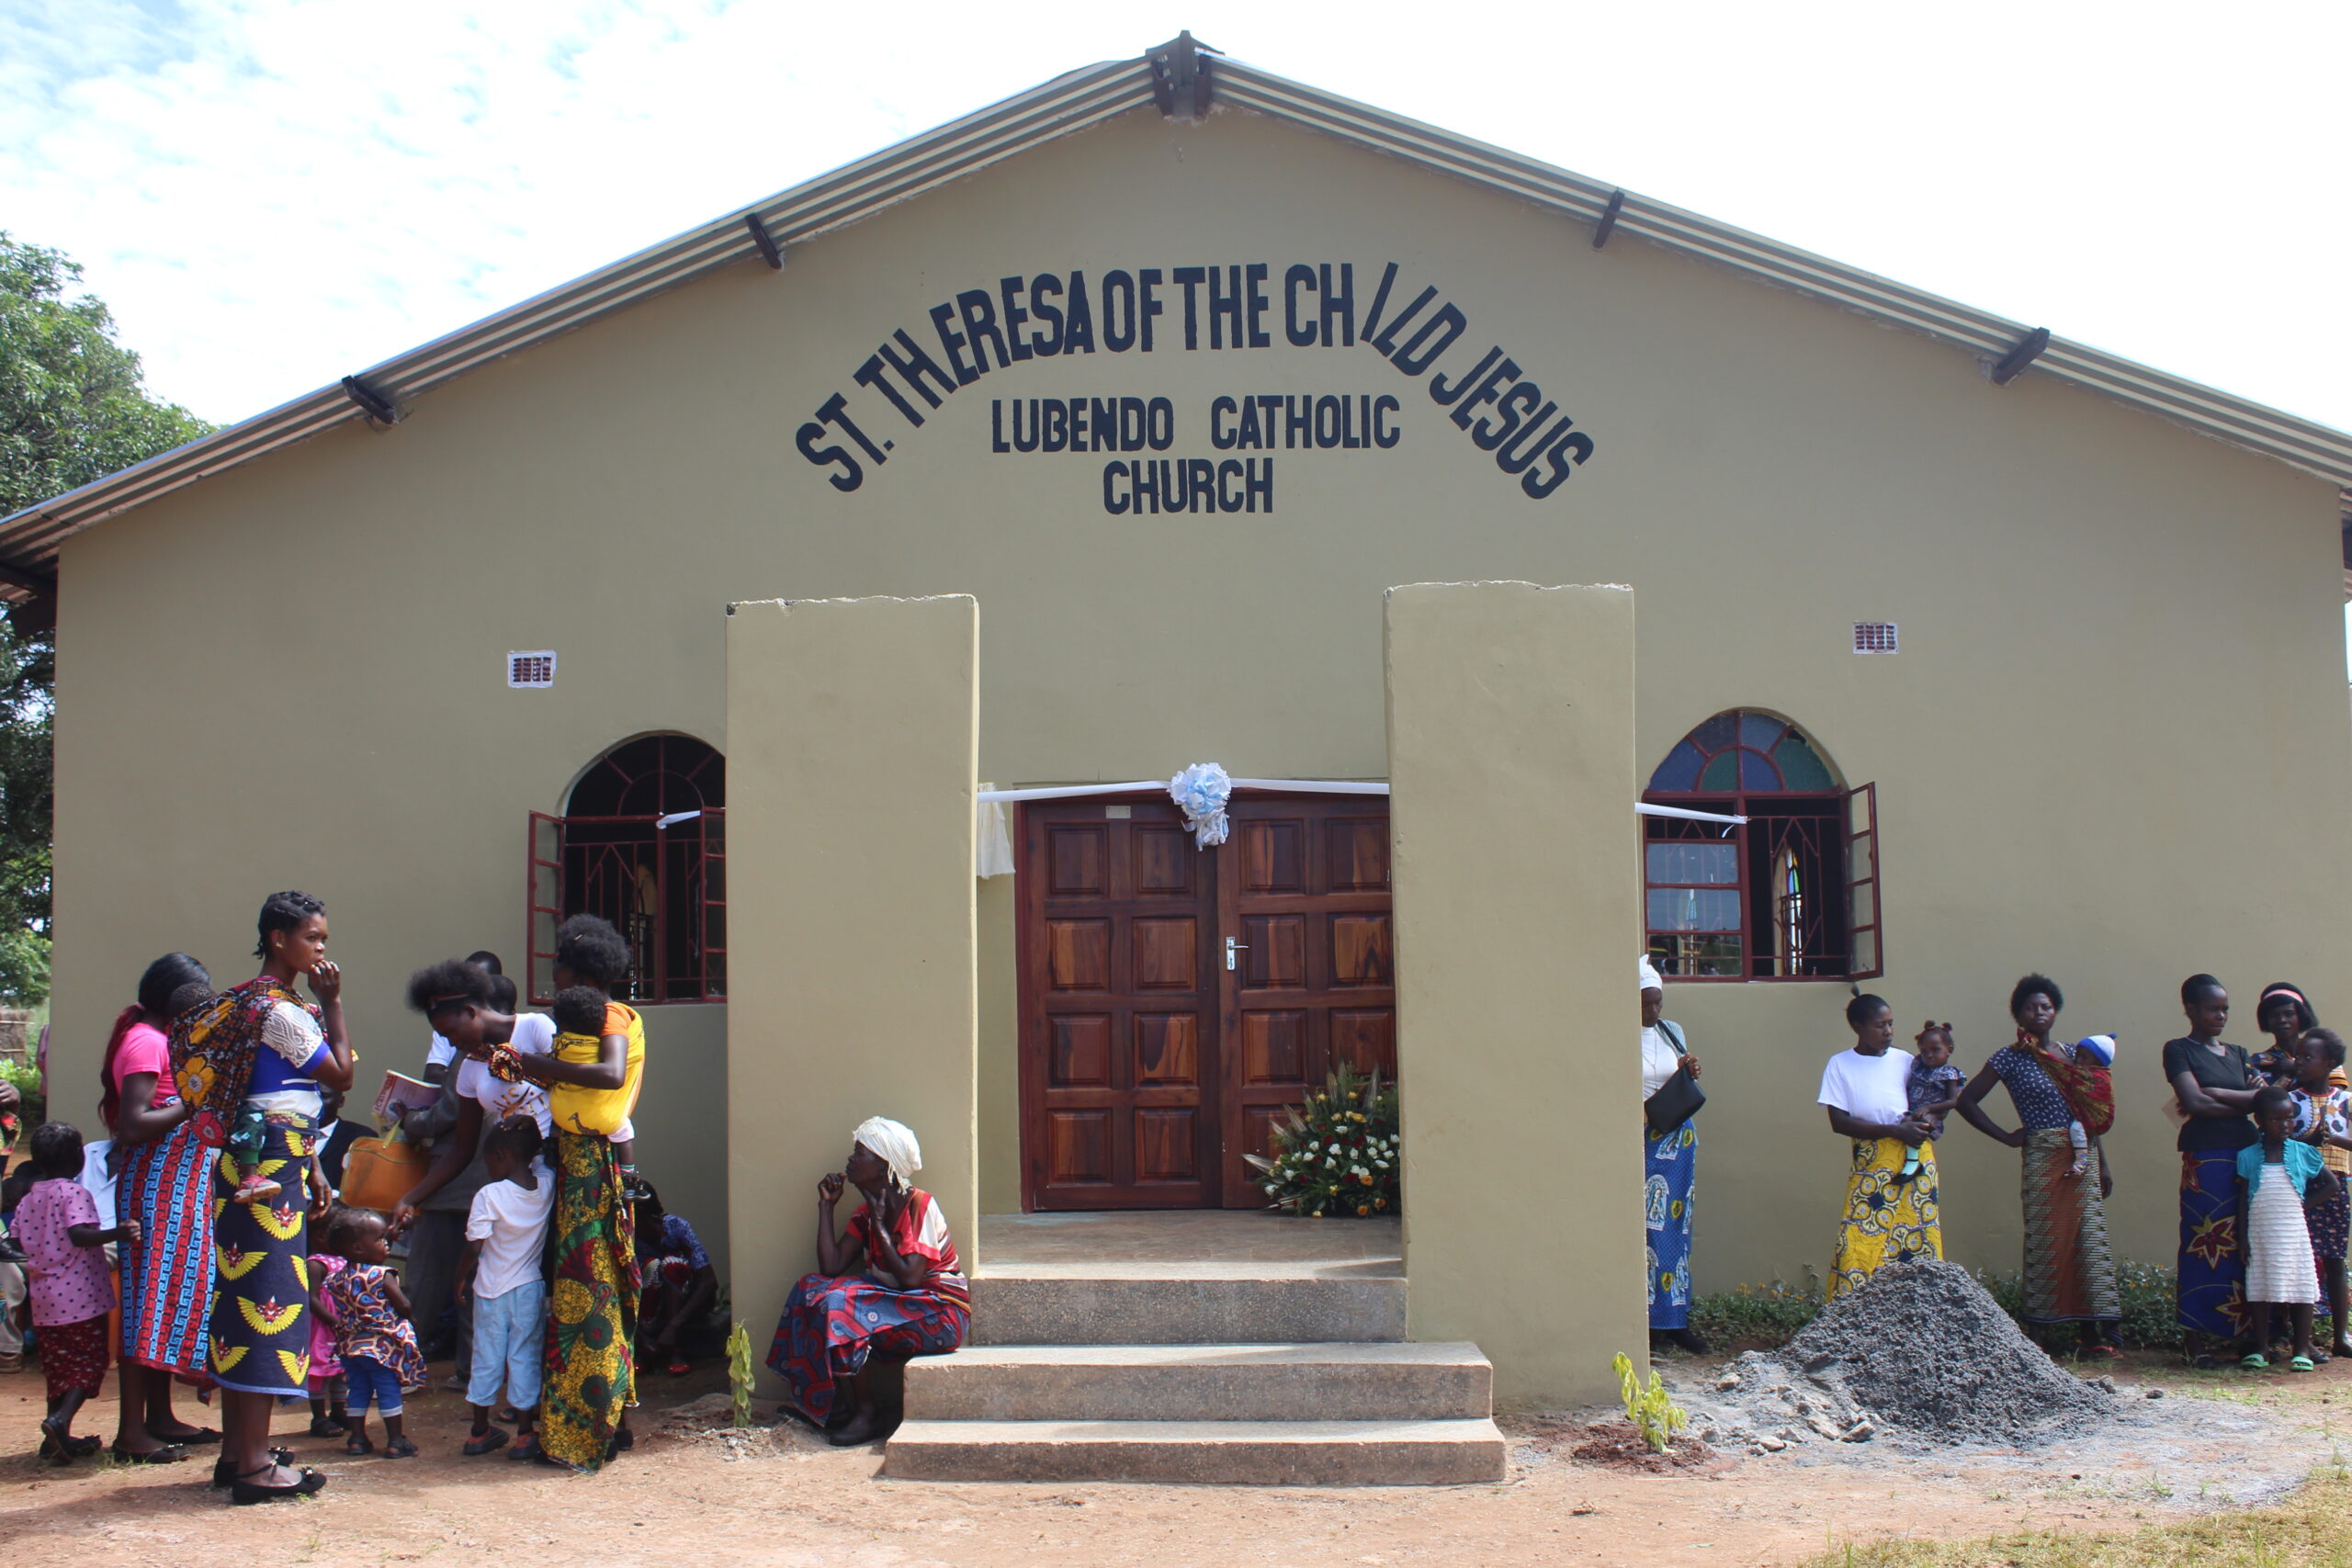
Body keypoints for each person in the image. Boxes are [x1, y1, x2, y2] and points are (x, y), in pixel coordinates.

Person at [396, 917, 645, 1472]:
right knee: (535, 1309)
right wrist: (412, 1197)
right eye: (444, 1036)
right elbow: (461, 1150)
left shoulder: (538, 1028)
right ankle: (540, 1423)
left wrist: (520, 1065)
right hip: (517, 1204)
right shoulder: (468, 1070)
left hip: (569, 1177)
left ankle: (603, 1420)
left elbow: (592, 1086)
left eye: (453, 1029)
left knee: (586, 1293)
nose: (454, 1042)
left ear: (471, 1009)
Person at [176, 891, 352, 1502]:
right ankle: (253, 1466)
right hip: (269, 1165)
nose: (321, 948)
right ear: (279, 939)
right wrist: (333, 1003)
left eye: (324, 938)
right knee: (267, 1298)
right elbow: (341, 1074)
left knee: (246, 1295)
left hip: (259, 1160)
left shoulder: (254, 1005)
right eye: (312, 937)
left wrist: (316, 1168)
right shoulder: (280, 1013)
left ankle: (236, 1453)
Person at [769, 1117, 970, 1446]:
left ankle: (867, 1414)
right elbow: (831, 1266)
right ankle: (827, 1405)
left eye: (860, 1153)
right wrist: (826, 1207)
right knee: (811, 1288)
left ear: (884, 1166)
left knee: (841, 1302)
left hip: (939, 1314)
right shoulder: (865, 1211)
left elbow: (910, 1279)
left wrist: (878, 1226)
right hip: (895, 1305)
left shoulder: (919, 1205)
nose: (851, 1159)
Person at [1954, 975, 2122, 1358]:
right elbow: (1967, 1101)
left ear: (2055, 1010)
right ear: (2019, 1014)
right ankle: (2039, 1337)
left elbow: (2089, 1113)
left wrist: (2104, 1164)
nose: (2039, 1012)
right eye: (2031, 1007)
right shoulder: (2008, 1058)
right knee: (2047, 1243)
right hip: (2043, 1157)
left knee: (2087, 1242)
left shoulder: (2071, 1054)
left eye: (2046, 1006)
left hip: (2082, 1156)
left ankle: (2091, 1335)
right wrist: (2007, 1137)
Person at [103, 953, 219, 1461]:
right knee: (144, 1309)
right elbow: (133, 1123)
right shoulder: (146, 1042)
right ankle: (131, 1432)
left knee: (165, 1304)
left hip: (178, 1186)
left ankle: (160, 1416)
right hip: (157, 1187)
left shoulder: (160, 1038)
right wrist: (195, 1104)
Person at [402, 949, 505, 1384]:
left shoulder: (477, 1056)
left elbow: (447, 1117)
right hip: (488, 1185)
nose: (450, 1040)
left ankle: (400, 1362)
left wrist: (410, 1120)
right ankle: (471, 1373)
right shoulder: (477, 1055)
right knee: (476, 1285)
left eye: (450, 1031)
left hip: (456, 1189)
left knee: (426, 1283)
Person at [15, 1122, 139, 1463]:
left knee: (57, 1367)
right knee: (89, 1362)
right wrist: (119, 1232)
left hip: (44, 1300)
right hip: (81, 1299)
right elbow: (80, 1234)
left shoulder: (30, 1197)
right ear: (78, 1161)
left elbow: (13, 1241)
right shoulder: (75, 1193)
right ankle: (60, 1420)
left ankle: (56, 1439)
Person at [1817, 993, 1940, 1297]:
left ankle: (1918, 1315)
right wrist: (1893, 1131)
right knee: (1857, 1239)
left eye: (1891, 1024)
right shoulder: (1840, 1065)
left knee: (1916, 1236)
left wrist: (1930, 1121)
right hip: (1873, 1160)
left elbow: (1933, 1099)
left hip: (1916, 1158)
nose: (1888, 1031)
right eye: (1879, 1025)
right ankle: (1847, 1314)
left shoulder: (1906, 1061)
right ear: (1858, 1027)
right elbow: (1839, 1122)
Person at [2165, 973, 2260, 1366]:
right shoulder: (2178, 1050)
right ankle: (2196, 1338)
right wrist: (2243, 1102)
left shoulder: (2239, 1053)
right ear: (2190, 1008)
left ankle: (2246, 1335)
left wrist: (2220, 1095)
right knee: (2203, 1241)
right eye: (2212, 1008)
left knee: (2245, 1243)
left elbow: (2264, 1100)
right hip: (2205, 1161)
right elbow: (2194, 1103)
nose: (2220, 1016)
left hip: (2246, 1156)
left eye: (2225, 1009)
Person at [460, 1114, 553, 1460]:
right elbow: (541, 1161)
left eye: (487, 1160)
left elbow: (474, 1246)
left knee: (486, 1357)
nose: (486, 1167)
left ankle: (479, 1431)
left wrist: (458, 1280)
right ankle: (526, 1434)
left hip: (490, 1290)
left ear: (500, 1155)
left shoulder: (489, 1194)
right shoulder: (546, 1184)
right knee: (524, 1357)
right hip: (529, 1288)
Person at [1638, 956, 1706, 1353]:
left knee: (1677, 1233)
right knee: (1647, 1233)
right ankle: (1647, 1323)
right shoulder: (1617, 1035)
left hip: (1678, 1141)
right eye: (1646, 1003)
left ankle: (1676, 1320)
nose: (1653, 1011)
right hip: (1643, 1140)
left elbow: (1679, 1072)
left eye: (1658, 1002)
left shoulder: (1671, 1031)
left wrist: (1689, 1068)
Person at [320, 1207, 425, 1454]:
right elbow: (403, 1304)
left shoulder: (335, 1279)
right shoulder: (381, 1275)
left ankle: (357, 1439)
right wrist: (411, 1318)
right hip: (381, 1348)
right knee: (388, 1390)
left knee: (357, 1390)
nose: (386, 1244)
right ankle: (395, 1440)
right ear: (358, 1247)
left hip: (350, 1347)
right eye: (379, 1239)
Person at [2238, 1086, 2327, 1371]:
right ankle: (2262, 1348)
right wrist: (2242, 1239)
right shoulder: (2248, 1156)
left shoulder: (2302, 1152)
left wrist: (2301, 1205)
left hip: (2293, 1231)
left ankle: (2301, 1348)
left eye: (2289, 1118)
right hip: (2261, 1232)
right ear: (2259, 1122)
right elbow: (2242, 1201)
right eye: (2277, 1120)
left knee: (2301, 1285)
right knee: (2260, 1286)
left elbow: (2332, 1184)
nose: (2285, 1125)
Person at [2288, 1028, 2352, 1359]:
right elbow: (2278, 1141)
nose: (2299, 1061)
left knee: (2335, 1259)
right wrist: (2307, 1141)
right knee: (2303, 1261)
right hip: (2301, 1186)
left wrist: (2334, 1140)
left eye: (2307, 1057)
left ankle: (2341, 1334)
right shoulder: (2290, 1099)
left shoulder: (2345, 1101)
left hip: (2336, 1186)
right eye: (2298, 1056)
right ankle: (2304, 1339)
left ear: (2328, 1063)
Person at [634, 1179, 719, 1376]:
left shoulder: (676, 1227)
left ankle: (675, 1348)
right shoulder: (627, 1238)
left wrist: (673, 1326)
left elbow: (708, 1280)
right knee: (649, 1266)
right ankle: (646, 1347)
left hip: (682, 1303)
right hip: (648, 1305)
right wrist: (639, 1337)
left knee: (672, 1264)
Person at [553, 985, 639, 1179]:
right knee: (623, 1127)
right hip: (602, 1116)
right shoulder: (600, 1048)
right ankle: (629, 1174)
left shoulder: (562, 1047)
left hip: (566, 1119)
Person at [1900, 1023, 1965, 1179]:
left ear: (1949, 1050)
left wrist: (1929, 1108)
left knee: (1914, 1123)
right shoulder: (1920, 1067)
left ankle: (1912, 1162)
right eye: (1924, 1051)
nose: (1929, 1055)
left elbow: (1953, 1101)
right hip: (1914, 1110)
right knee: (1905, 1122)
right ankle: (1907, 1159)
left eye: (1935, 1050)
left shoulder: (1949, 1073)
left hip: (1932, 1114)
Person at [306, 1212, 349, 1437]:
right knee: (320, 1372)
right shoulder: (316, 1264)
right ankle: (319, 1417)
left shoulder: (344, 1260)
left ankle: (339, 1411)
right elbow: (311, 1298)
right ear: (323, 1236)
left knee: (340, 1371)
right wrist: (333, 1320)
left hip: (341, 1328)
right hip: (323, 1330)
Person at [2252, 982, 2318, 1087]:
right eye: (2274, 1015)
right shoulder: (2257, 1062)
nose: (2282, 1020)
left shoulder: (2322, 1054)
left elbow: (2337, 1094)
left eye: (2289, 1014)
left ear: (2300, 1016)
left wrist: (2296, 1067)